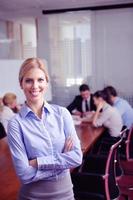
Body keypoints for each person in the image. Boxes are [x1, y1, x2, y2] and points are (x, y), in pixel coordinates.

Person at [7, 57, 82, 200]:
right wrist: (63, 162)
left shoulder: (62, 114)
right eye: (29, 80)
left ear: (46, 83)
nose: (35, 86)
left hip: (65, 195)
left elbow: (77, 158)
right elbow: (24, 174)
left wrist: (38, 162)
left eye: (40, 80)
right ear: (21, 84)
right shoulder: (15, 124)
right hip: (32, 197)